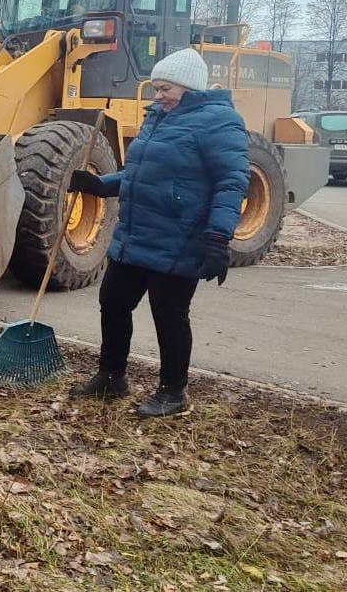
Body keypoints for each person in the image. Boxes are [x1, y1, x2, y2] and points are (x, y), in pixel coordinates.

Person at [67, 48, 249, 417]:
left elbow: (231, 183)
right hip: (136, 233)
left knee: (169, 315)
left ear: (189, 87)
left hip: (180, 237)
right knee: (113, 302)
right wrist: (101, 185)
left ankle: (172, 392)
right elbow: (140, 174)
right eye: (157, 88)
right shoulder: (158, 117)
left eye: (165, 89)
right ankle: (111, 377)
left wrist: (218, 238)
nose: (158, 96)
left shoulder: (219, 122)